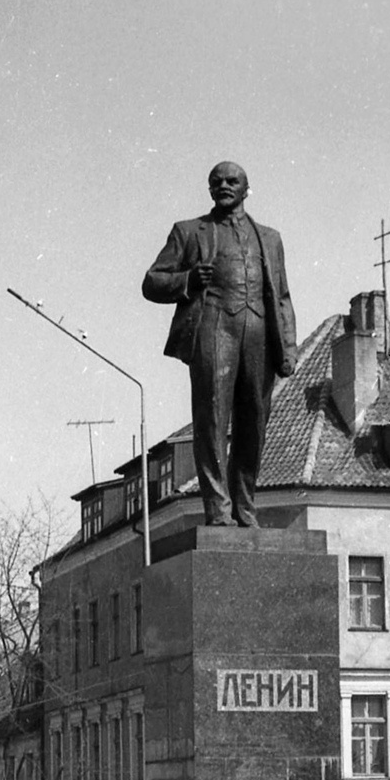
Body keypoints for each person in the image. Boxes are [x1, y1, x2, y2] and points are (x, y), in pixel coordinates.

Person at [142, 161, 297, 528]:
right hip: (214, 326)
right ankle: (218, 508)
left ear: (247, 188)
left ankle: (245, 506)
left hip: (258, 332)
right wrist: (188, 279)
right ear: (209, 190)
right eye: (217, 182)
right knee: (212, 418)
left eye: (232, 181)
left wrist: (288, 348)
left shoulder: (270, 238)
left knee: (254, 423)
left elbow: (283, 297)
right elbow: (151, 282)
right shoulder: (189, 231)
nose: (224, 186)